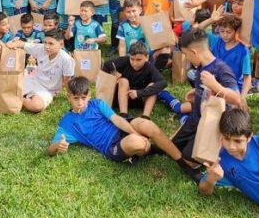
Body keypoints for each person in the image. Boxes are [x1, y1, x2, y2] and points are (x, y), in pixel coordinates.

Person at [46, 76, 202, 182]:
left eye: (83, 98)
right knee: (137, 143)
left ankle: (183, 164)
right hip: (111, 146)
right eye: (75, 98)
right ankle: (155, 147)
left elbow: (118, 120)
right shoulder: (67, 123)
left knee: (145, 124)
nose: (80, 102)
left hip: (120, 129)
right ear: (69, 97)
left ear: (89, 96)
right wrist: (57, 147)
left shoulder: (97, 104)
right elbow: (50, 150)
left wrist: (134, 131)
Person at [170, 28, 242, 163]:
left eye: (187, 55)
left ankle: (222, 148)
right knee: (173, 146)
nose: (187, 59)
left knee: (188, 156)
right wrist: (197, 92)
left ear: (194, 52)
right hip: (195, 118)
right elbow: (206, 89)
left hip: (211, 123)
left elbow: (237, 99)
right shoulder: (201, 65)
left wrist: (216, 85)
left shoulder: (221, 69)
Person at [101, 41, 166, 119]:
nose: (134, 63)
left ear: (147, 57)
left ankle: (145, 117)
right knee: (123, 81)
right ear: (129, 56)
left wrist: (139, 93)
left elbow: (163, 82)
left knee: (153, 85)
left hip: (140, 98)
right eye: (132, 59)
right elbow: (107, 64)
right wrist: (115, 73)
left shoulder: (149, 67)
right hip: (121, 99)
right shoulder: (124, 60)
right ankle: (124, 114)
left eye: (139, 60)